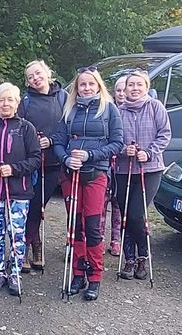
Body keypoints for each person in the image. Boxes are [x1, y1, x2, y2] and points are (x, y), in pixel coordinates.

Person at [53, 66, 123, 301]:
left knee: (92, 227)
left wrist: (90, 155)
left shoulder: (109, 109)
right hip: (71, 176)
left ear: (98, 86)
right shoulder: (69, 110)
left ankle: (95, 277)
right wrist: (65, 158)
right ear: (76, 87)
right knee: (76, 227)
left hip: (95, 174)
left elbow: (117, 143)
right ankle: (77, 273)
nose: (86, 87)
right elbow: (58, 141)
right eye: (82, 84)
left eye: (91, 84)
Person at [0, 82, 41, 296]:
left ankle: (14, 272)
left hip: (18, 191)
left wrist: (13, 169)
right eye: (1, 100)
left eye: (10, 99)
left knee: (16, 233)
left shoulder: (26, 128)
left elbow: (35, 159)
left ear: (17, 102)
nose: (5, 104)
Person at [116, 70, 171, 280]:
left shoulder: (155, 107)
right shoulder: (118, 111)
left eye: (139, 85)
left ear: (146, 87)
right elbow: (114, 138)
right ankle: (129, 260)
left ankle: (143, 256)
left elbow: (165, 134)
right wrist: (124, 150)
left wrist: (148, 152)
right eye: (131, 85)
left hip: (150, 169)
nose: (135, 88)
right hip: (124, 169)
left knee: (137, 214)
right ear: (125, 88)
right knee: (125, 214)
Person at [18, 59, 68, 272]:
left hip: (53, 162)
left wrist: (51, 139)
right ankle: (28, 248)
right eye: (30, 77)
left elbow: (67, 124)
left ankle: (31, 243)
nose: (35, 79)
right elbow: (19, 127)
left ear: (48, 73)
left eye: (38, 74)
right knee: (30, 206)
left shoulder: (64, 97)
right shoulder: (26, 101)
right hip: (31, 162)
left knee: (39, 207)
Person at [100, 76, 127, 256]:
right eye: (118, 90)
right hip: (106, 163)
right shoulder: (107, 110)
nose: (122, 93)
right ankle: (99, 238)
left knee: (118, 204)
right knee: (102, 203)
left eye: (125, 90)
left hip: (123, 166)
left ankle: (115, 239)